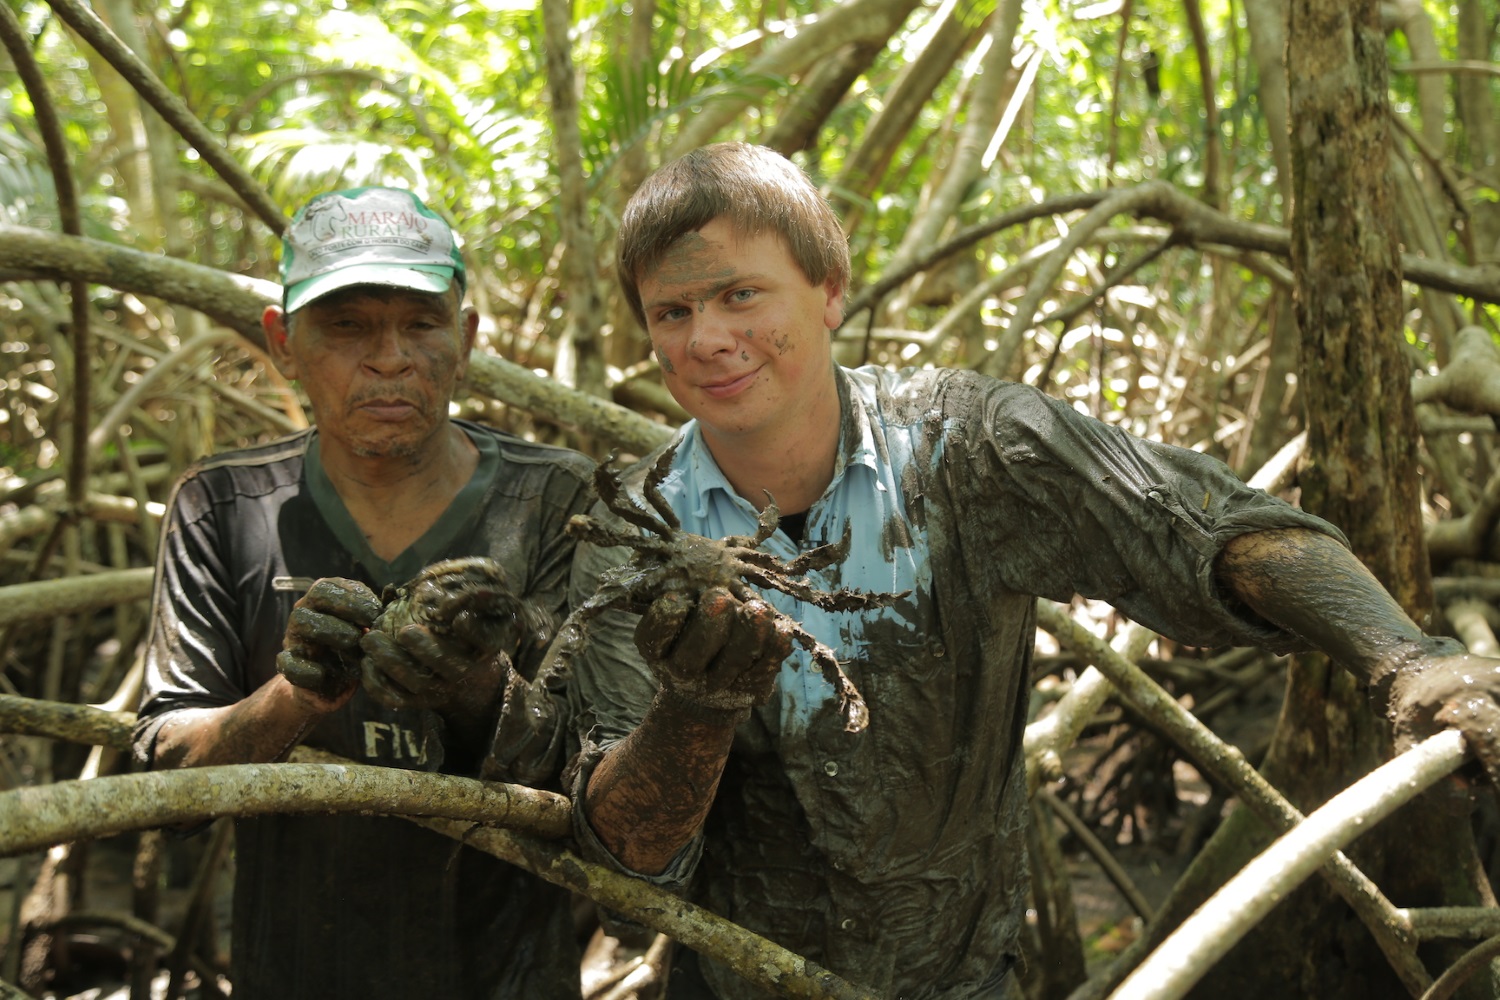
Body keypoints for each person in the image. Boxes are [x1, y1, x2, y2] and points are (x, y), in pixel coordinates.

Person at [564, 142, 1500, 1000]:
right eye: (672, 313)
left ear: (830, 290)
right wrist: (694, 709)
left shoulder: (964, 448)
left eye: (740, 296)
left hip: (968, 976)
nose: (706, 340)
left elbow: (1205, 526)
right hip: (735, 984)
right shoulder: (630, 531)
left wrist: (1405, 660)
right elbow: (628, 862)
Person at [133, 186, 595, 999]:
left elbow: (600, 777)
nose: (390, 358)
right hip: (300, 971)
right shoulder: (223, 506)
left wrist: (472, 685)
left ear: (467, 337)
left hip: (507, 978)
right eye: (347, 327)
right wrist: (298, 693)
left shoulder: (562, 503)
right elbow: (164, 779)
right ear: (284, 342)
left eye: (421, 323)